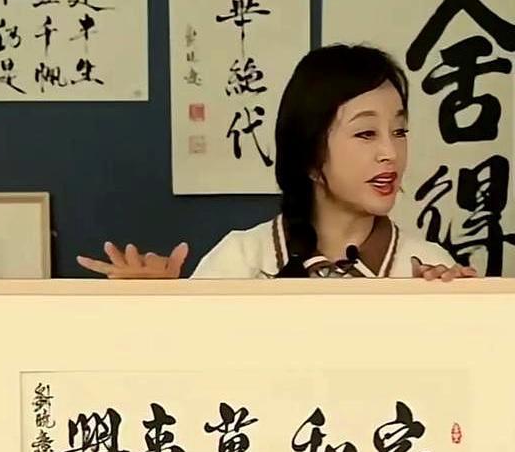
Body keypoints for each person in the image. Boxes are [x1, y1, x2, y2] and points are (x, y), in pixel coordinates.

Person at [77, 44, 476, 282]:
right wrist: (155, 308)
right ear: (309, 154)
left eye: (400, 131)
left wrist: (465, 311)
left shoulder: (427, 268)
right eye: (366, 133)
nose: (391, 152)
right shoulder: (241, 261)